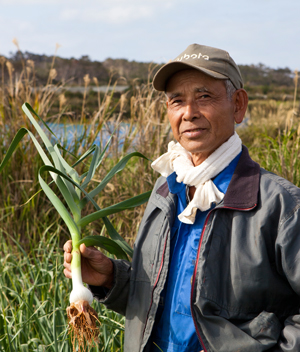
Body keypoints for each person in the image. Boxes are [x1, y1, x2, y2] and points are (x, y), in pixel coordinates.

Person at [63, 44, 300, 352]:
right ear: (169, 112)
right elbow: (161, 301)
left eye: (204, 97)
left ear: (238, 105)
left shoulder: (281, 205)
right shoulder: (165, 192)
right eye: (177, 100)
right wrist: (110, 279)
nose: (189, 113)